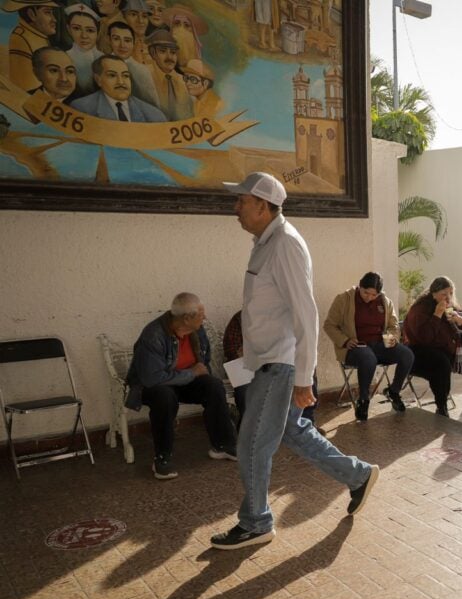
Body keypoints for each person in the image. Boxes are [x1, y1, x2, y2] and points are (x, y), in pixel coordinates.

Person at [211, 172, 379, 549]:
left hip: (280, 364)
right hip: (267, 362)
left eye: (241, 200)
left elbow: (306, 313)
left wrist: (304, 378)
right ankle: (358, 476)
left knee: (251, 444)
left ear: (262, 205)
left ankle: (255, 522)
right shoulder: (265, 242)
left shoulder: (285, 244)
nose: (235, 207)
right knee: (293, 432)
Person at [124, 292, 237, 480]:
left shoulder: (197, 330)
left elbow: (204, 359)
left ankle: (223, 445)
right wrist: (192, 373)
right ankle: (162, 458)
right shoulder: (153, 335)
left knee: (214, 386)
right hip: (154, 386)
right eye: (201, 314)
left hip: (183, 381)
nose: (205, 317)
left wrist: (194, 373)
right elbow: (152, 379)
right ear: (187, 318)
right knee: (165, 397)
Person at [323, 272, 413, 422]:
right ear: (360, 285)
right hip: (355, 347)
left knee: (407, 355)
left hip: (379, 344)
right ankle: (363, 400)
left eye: (374, 295)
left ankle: (393, 391)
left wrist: (390, 340)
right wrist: (345, 340)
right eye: (366, 292)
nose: (369, 297)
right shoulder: (344, 299)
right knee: (368, 358)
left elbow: (394, 326)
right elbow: (329, 325)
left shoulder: (385, 302)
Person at [403, 276, 462, 416]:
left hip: (449, 352)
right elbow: (424, 338)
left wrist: (460, 321)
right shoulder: (419, 309)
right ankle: (442, 406)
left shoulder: (452, 307)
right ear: (433, 293)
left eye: (451, 293)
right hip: (420, 354)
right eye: (444, 294)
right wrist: (437, 315)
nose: (448, 297)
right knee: (441, 361)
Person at [224, 310, 322, 430]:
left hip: (280, 367)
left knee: (306, 370)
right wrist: (242, 352)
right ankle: (250, 429)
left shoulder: (284, 318)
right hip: (252, 370)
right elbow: (230, 349)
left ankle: (307, 422)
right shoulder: (240, 319)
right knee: (244, 389)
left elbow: (297, 346)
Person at [69, 55, 167, 121]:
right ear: (98, 80)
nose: (121, 82)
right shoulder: (81, 109)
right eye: (112, 75)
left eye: (125, 76)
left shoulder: (154, 115)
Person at [5, 0, 60, 91]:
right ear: (32, 15)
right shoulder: (21, 39)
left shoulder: (37, 35)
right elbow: (27, 90)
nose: (54, 19)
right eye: (47, 12)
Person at [107, 21, 159, 107]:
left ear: (133, 43)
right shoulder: (101, 64)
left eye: (127, 40)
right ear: (109, 40)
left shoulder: (142, 71)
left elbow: (153, 104)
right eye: (116, 39)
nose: (122, 45)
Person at [146, 28, 192, 120]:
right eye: (163, 51)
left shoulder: (184, 81)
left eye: (173, 52)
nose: (169, 57)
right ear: (153, 53)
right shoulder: (145, 77)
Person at [64, 4, 103, 95]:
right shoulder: (64, 57)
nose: (84, 36)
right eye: (77, 29)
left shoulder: (103, 58)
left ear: (98, 32)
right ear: (69, 29)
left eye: (90, 30)